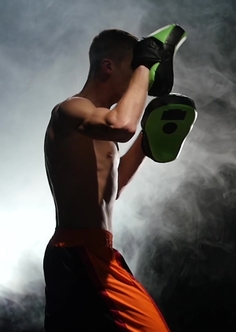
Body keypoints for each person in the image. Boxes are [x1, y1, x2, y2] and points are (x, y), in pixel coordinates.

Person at [43, 25, 188, 332]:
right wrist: (146, 62)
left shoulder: (101, 129)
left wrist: (148, 143)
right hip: (80, 251)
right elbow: (123, 123)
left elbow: (113, 187)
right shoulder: (72, 109)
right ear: (108, 66)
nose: (142, 79)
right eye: (133, 68)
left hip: (91, 252)